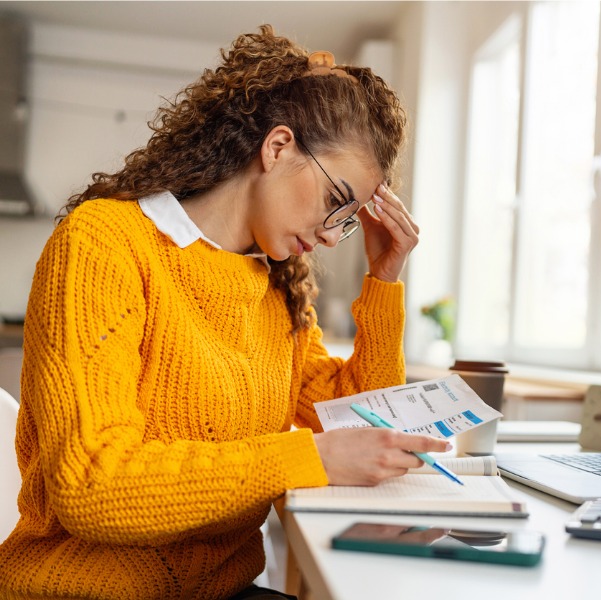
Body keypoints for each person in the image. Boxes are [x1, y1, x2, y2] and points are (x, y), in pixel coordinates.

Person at [0, 25, 449, 600]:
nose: (337, 237)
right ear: (278, 146)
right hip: (85, 588)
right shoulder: (104, 244)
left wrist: (384, 280)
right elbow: (92, 486)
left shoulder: (275, 289)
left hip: (219, 588)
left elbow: (365, 426)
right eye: (338, 203)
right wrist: (304, 456)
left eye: (349, 218)